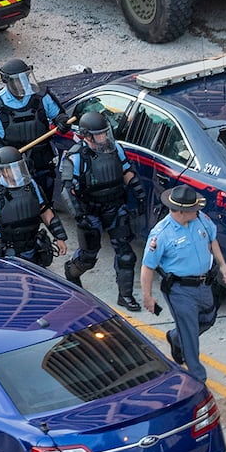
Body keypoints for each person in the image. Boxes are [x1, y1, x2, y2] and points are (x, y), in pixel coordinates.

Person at [140, 185, 226, 382]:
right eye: (193, 209)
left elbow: (212, 240)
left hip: (204, 284)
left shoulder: (200, 220)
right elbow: (147, 266)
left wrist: (222, 264)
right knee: (190, 333)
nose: (197, 211)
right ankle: (197, 377)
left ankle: (175, 337)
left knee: (208, 319)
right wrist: (147, 296)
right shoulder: (161, 234)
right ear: (181, 212)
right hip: (180, 290)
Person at [62, 111, 143, 309]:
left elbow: (127, 172)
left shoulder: (116, 149)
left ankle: (125, 296)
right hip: (90, 211)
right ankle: (71, 273)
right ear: (87, 136)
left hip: (115, 207)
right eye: (99, 134)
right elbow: (67, 190)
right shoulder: (75, 158)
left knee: (126, 254)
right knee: (88, 256)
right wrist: (79, 216)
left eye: (105, 133)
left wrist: (139, 192)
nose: (104, 137)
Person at [0, 58, 64, 202]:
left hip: (42, 157)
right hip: (13, 164)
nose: (24, 83)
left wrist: (62, 122)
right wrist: (3, 151)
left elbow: (59, 115)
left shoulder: (41, 96)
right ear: (7, 81)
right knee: (22, 201)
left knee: (46, 197)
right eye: (18, 80)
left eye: (26, 77)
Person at [0, 146, 68, 266]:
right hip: (7, 254)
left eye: (18, 166)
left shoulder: (32, 186)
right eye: (11, 168)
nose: (16, 171)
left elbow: (45, 211)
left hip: (32, 248)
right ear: (2, 171)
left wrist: (59, 237)